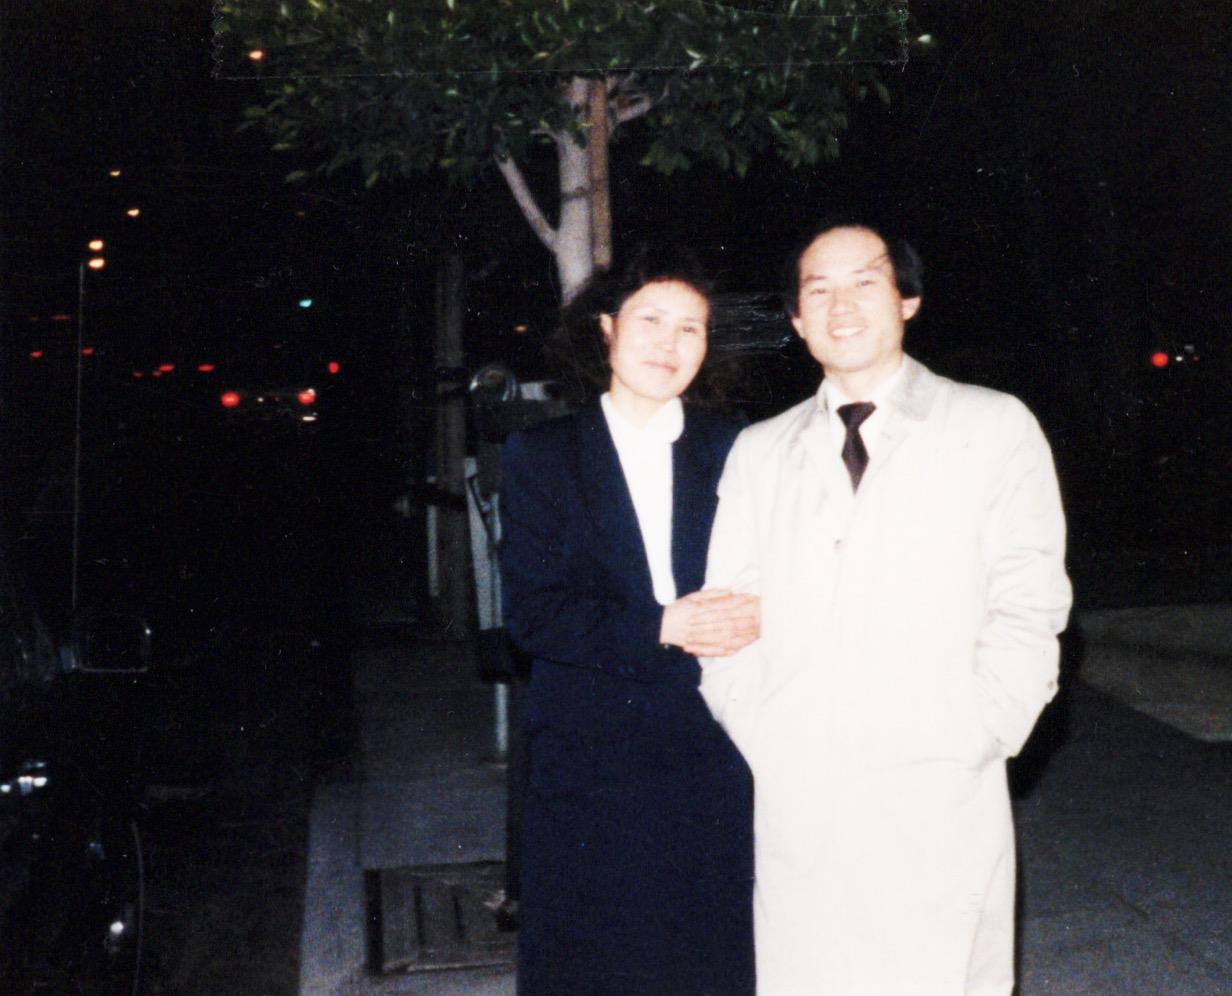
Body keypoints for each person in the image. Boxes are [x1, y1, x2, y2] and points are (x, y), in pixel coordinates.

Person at [700, 222, 1072, 994]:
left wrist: (983, 729)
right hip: (802, 789)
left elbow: (1028, 602)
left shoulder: (992, 426)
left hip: (938, 785)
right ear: (797, 321)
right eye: (818, 289)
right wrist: (767, 737)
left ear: (907, 299)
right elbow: (727, 618)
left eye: (865, 282)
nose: (842, 305)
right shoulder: (760, 451)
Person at [499, 246, 759, 996]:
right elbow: (533, 614)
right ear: (608, 328)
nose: (668, 345)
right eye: (651, 321)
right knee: (596, 959)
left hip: (715, 737)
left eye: (691, 330)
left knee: (710, 952)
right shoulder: (543, 456)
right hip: (591, 745)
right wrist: (661, 625)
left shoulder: (737, 447)